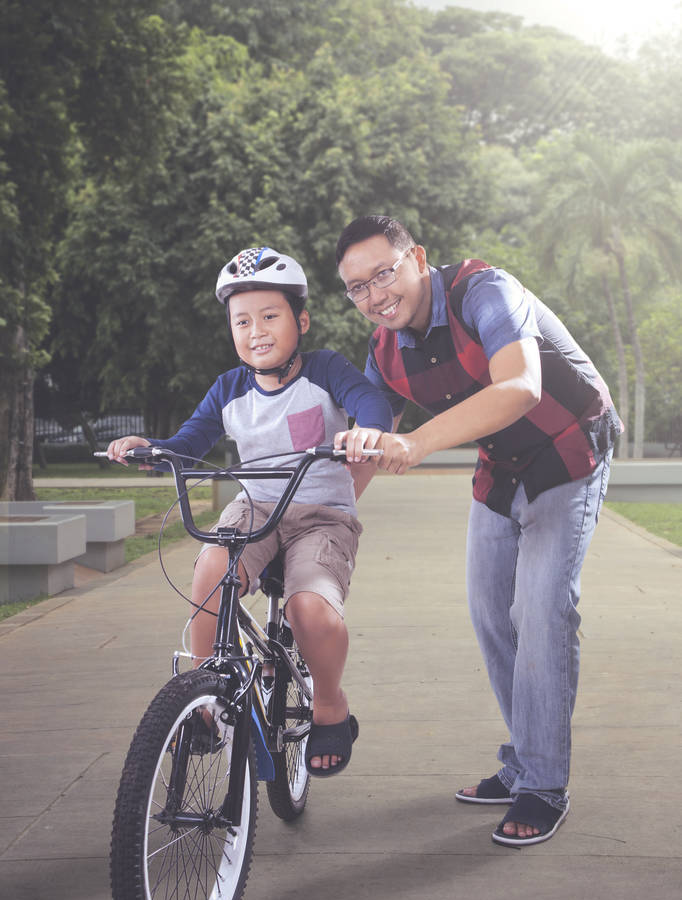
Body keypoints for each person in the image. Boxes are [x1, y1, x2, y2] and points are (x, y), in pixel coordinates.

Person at [334, 215, 621, 845]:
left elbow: (519, 386)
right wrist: (322, 517)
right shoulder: (383, 354)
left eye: (385, 273)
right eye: (357, 288)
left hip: (569, 454)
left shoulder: (483, 291)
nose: (376, 295)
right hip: (502, 468)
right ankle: (524, 760)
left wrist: (414, 441)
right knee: (491, 613)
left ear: (418, 259)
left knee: (542, 613)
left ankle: (544, 784)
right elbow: (366, 451)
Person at [107, 246, 393, 775]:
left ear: (300, 321)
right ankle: (205, 698)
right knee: (212, 571)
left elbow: (371, 401)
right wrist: (153, 448)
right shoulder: (229, 388)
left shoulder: (327, 370)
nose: (256, 330)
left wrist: (369, 429)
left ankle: (329, 702)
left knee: (310, 609)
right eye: (242, 321)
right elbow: (189, 441)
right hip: (256, 506)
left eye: (270, 316)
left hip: (321, 513)